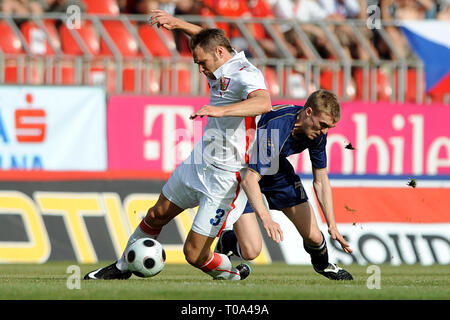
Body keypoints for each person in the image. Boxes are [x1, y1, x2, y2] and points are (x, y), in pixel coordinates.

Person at [84, 10, 273, 280]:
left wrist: (220, 111)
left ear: (220, 53)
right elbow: (207, 37)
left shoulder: (246, 73)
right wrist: (176, 24)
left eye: (202, 62)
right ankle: (122, 266)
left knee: (194, 255)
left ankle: (231, 273)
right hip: (199, 162)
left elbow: (263, 102)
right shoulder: (218, 55)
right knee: (156, 214)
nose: (200, 69)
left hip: (225, 177)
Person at [215, 89, 354, 280]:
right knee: (251, 251)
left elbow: (321, 180)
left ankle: (323, 266)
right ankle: (226, 241)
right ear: (308, 112)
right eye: (322, 125)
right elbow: (250, 179)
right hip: (243, 166)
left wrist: (332, 225)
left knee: (314, 236)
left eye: (329, 127)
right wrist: (266, 218)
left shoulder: (318, 133)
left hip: (275, 167)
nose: (324, 132)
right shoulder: (276, 128)